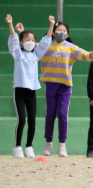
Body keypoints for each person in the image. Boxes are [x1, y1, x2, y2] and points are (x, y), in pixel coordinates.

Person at [41, 22, 93, 157]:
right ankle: (48, 143)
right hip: (50, 84)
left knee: (63, 115)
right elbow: (29, 48)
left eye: (64, 31)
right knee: (50, 114)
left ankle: (62, 144)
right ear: (52, 32)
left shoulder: (71, 48)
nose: (61, 33)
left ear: (68, 34)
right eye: (58, 30)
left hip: (65, 86)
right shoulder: (45, 46)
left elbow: (87, 56)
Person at [6, 14, 53, 158]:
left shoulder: (36, 54)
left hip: (31, 91)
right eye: (27, 40)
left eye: (33, 40)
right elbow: (14, 42)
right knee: (22, 119)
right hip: (19, 91)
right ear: (21, 42)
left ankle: (29, 146)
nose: (30, 42)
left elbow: (45, 42)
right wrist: (11, 25)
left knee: (32, 120)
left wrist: (51, 24)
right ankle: (18, 146)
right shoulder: (17, 54)